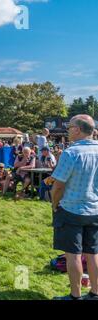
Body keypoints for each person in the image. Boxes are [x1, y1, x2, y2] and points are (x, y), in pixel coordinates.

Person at [51, 115, 98, 300]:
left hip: (71, 209)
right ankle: (95, 293)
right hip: (95, 210)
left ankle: (75, 296)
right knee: (93, 253)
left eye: (69, 127)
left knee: (73, 255)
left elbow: (58, 186)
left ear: (78, 129)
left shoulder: (71, 152)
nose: (67, 130)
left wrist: (55, 204)